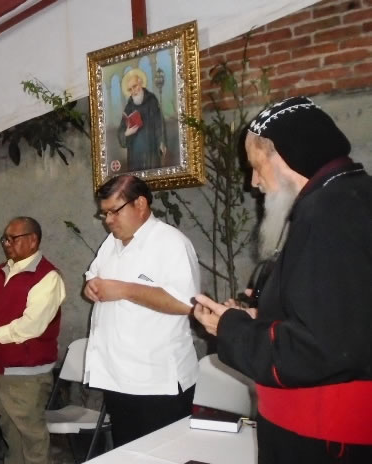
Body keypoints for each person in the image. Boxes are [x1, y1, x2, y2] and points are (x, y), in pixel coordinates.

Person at [193, 96, 372, 463]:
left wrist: (231, 327)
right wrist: (263, 317)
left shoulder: (328, 214)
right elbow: (341, 319)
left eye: (256, 167)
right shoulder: (350, 196)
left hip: (321, 437)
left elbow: (320, 350)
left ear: (288, 156)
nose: (254, 183)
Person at [82, 174, 200, 446]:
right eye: (104, 213)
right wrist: (91, 286)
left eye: (114, 211)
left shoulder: (171, 243)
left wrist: (125, 290)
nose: (108, 220)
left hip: (157, 382)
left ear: (141, 204)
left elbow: (185, 303)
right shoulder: (111, 243)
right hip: (117, 377)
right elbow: (94, 274)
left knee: (163, 456)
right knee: (127, 452)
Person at [0, 217, 66, 464]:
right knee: (11, 434)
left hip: (28, 374)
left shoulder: (47, 277)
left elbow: (32, 324)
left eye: (13, 238)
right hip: (1, 367)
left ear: (33, 240)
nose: (7, 243)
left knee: (32, 438)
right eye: (5, 239)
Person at [117, 68, 166, 171]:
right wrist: (126, 133)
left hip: (151, 149)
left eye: (134, 86)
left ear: (140, 83)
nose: (133, 91)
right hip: (134, 153)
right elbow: (121, 130)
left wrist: (161, 141)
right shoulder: (129, 106)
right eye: (130, 89)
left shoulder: (152, 100)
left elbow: (159, 122)